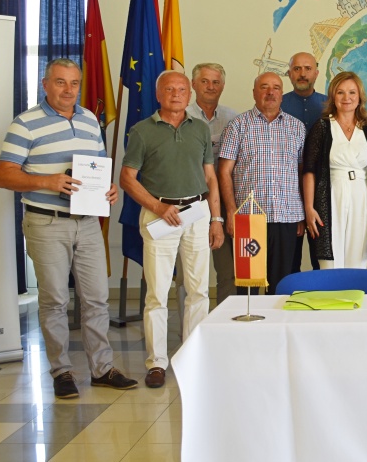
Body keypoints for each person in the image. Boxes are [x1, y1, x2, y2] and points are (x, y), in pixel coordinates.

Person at [0, 58, 137, 398]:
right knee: (55, 299)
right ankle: (61, 372)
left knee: (97, 298)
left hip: (87, 223)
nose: (68, 89)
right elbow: (4, 176)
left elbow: (97, 168)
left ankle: (102, 369)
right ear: (45, 84)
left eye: (74, 83)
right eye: (60, 82)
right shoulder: (25, 124)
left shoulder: (89, 120)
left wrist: (108, 189)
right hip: (47, 222)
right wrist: (47, 181)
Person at [120, 70, 224, 388]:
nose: (176, 94)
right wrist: (158, 207)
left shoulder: (200, 129)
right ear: (158, 94)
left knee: (198, 290)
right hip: (160, 215)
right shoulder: (142, 131)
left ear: (189, 95)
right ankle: (157, 363)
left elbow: (210, 177)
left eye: (181, 89)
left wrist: (216, 219)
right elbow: (127, 179)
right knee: (158, 293)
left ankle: (193, 356)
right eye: (169, 89)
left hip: (196, 213)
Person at [218, 72, 306, 294]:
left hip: (287, 217)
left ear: (282, 94)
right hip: (248, 219)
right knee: (248, 287)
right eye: (264, 87)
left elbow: (302, 173)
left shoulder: (297, 127)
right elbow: (224, 172)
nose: (270, 92)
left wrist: (302, 214)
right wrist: (231, 212)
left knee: (281, 286)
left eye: (276, 87)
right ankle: (249, 319)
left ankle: (275, 319)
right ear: (254, 92)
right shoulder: (237, 125)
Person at [302, 71, 367, 269]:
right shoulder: (322, 127)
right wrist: (309, 208)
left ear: (360, 97)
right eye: (340, 92)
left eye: (352, 92)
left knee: (357, 258)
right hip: (331, 194)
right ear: (333, 96)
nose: (346, 98)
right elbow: (309, 171)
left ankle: (354, 290)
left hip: (362, 195)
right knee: (329, 261)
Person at [179, 63, 238, 306]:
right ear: (193, 84)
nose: (210, 87)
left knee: (228, 270)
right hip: (189, 201)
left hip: (222, 202)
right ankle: (189, 326)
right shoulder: (181, 115)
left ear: (222, 86)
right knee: (188, 272)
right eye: (204, 81)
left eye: (216, 82)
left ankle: (225, 321)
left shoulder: (233, 119)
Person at [282, 52, 328, 273]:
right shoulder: (278, 104)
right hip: (287, 193)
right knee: (289, 261)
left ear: (316, 73)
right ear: (289, 73)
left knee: (323, 259)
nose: (302, 73)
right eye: (297, 69)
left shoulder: (331, 105)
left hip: (324, 192)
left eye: (307, 68)